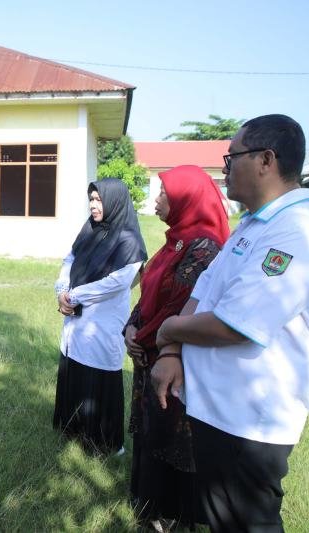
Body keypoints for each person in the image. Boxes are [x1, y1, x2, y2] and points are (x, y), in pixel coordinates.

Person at [152, 114, 309, 532]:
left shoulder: (298, 233)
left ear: (266, 160)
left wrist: (169, 331)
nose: (225, 170)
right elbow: (205, 291)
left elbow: (236, 324)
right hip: (217, 410)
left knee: (247, 524)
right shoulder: (251, 225)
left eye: (232, 158)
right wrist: (174, 349)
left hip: (250, 421)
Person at [124, 165, 230, 530]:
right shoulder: (176, 240)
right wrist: (131, 328)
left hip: (175, 362)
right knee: (150, 436)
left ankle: (168, 516)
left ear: (186, 197)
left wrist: (149, 340)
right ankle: (148, 508)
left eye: (163, 193)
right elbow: (150, 294)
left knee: (172, 440)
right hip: (150, 354)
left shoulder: (205, 248)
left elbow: (184, 306)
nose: (156, 200)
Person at [53, 178, 146, 454]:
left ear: (114, 201)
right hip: (75, 318)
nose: (94, 205)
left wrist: (75, 295)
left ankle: (105, 442)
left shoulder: (129, 239)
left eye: (99, 200)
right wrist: (61, 291)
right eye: (91, 199)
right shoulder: (89, 228)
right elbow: (69, 259)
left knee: (98, 376)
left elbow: (117, 282)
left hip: (102, 322)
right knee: (75, 368)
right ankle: (74, 429)